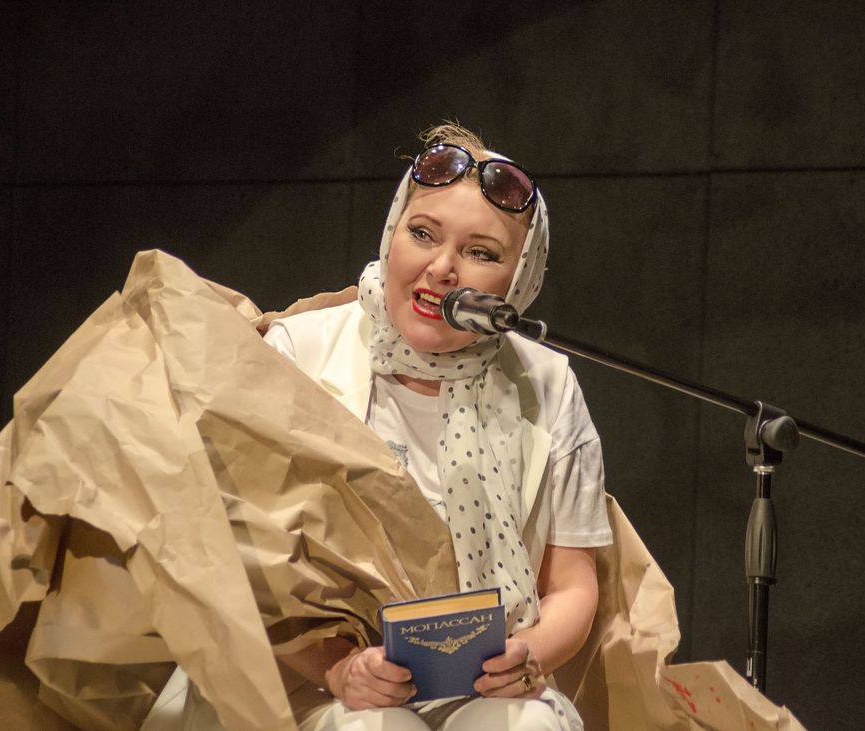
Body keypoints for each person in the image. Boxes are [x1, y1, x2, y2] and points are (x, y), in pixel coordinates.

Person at [261, 123, 613, 731]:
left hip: (484, 687)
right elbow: (244, 558)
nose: (442, 268)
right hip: (304, 680)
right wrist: (340, 668)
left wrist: (526, 657)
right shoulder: (299, 353)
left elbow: (572, 587)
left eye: (481, 253)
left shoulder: (547, 383)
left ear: (520, 279)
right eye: (422, 234)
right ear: (391, 233)